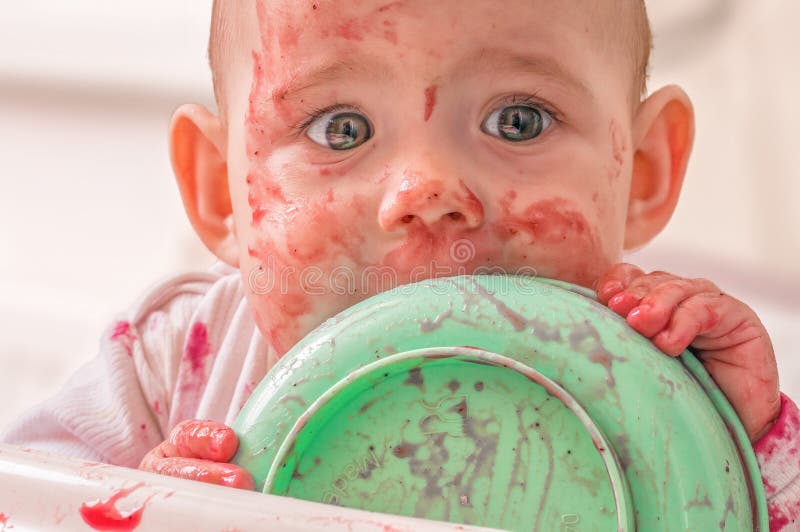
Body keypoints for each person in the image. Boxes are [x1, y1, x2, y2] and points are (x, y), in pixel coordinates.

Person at [3, 0, 798, 529]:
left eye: (517, 120)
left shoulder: (669, 374)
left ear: (648, 170)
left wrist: (751, 449)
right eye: (340, 129)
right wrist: (138, 504)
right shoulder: (167, 365)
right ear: (220, 193)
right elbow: (24, 501)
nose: (427, 191)